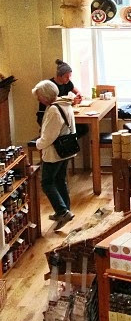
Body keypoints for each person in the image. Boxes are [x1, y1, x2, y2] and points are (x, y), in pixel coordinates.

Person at [32, 80, 76, 230]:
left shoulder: (53, 110)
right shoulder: (65, 104)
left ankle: (62, 211)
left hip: (54, 153)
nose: (39, 100)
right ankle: (65, 210)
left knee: (47, 183)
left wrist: (38, 144)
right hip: (66, 149)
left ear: (45, 96)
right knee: (60, 180)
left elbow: (48, 137)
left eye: (39, 97)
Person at [37, 59, 88, 139]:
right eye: (66, 77)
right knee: (75, 129)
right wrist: (72, 102)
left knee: (83, 128)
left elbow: (76, 91)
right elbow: (54, 102)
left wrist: (79, 95)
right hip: (49, 114)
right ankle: (62, 141)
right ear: (59, 76)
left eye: (70, 76)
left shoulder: (67, 83)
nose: (68, 79)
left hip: (61, 114)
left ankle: (67, 142)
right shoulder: (50, 86)